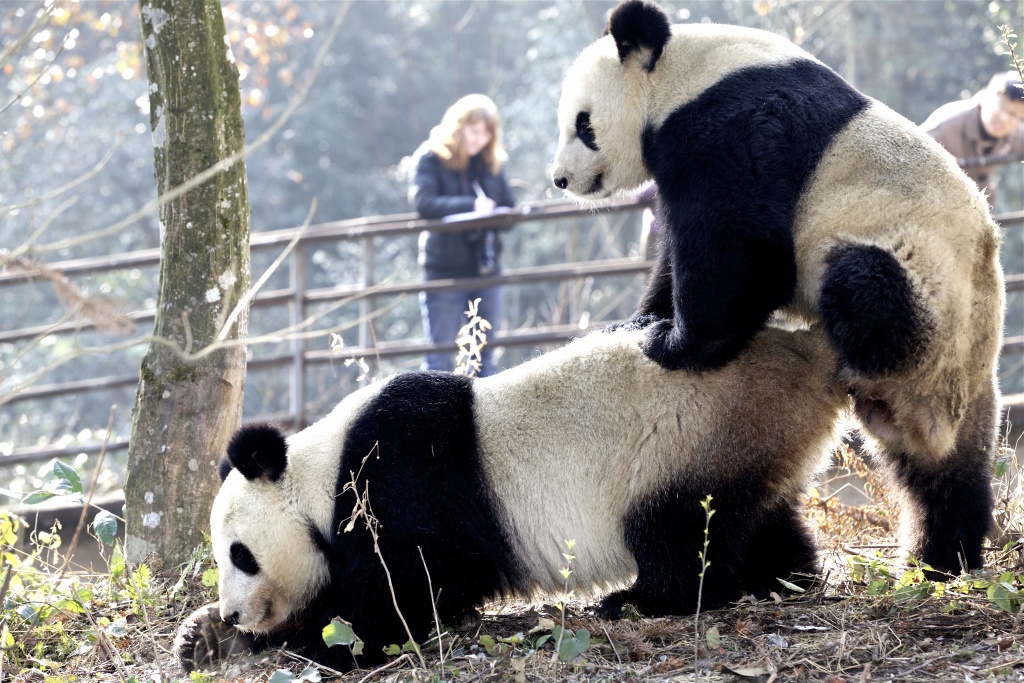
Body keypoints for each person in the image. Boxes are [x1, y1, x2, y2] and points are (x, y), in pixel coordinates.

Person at [410, 94, 516, 376]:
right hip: (444, 271)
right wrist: (471, 206)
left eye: (486, 133)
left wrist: (496, 213)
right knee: (439, 362)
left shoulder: (490, 162)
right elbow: (424, 204)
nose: (479, 139)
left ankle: (482, 420)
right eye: (474, 130)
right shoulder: (430, 158)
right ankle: (437, 420)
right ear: (458, 126)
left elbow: (510, 206)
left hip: (486, 269)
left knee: (484, 361)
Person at [921, 70, 1024, 207]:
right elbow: (912, 151)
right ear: (986, 98)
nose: (1004, 119)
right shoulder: (948, 123)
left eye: (1013, 114)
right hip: (933, 203)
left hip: (979, 204)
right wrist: (939, 162)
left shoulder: (1015, 133)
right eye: (1001, 107)